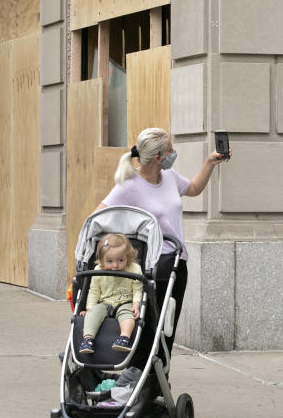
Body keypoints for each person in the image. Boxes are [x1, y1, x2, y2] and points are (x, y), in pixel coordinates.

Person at [96, 127, 229, 354]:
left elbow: (194, 188)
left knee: (167, 328)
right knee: (147, 328)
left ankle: (158, 378)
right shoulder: (128, 186)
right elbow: (98, 216)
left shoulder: (170, 177)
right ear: (158, 157)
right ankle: (141, 377)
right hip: (150, 266)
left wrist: (210, 162)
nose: (174, 152)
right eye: (170, 150)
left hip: (177, 263)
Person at [79, 233, 143, 354]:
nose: (115, 265)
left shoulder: (134, 269)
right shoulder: (98, 270)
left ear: (128, 257)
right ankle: (87, 339)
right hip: (105, 302)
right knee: (93, 314)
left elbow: (137, 288)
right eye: (109, 261)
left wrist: (136, 304)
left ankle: (124, 338)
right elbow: (94, 291)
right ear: (101, 260)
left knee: (128, 315)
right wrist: (89, 308)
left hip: (125, 301)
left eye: (120, 260)